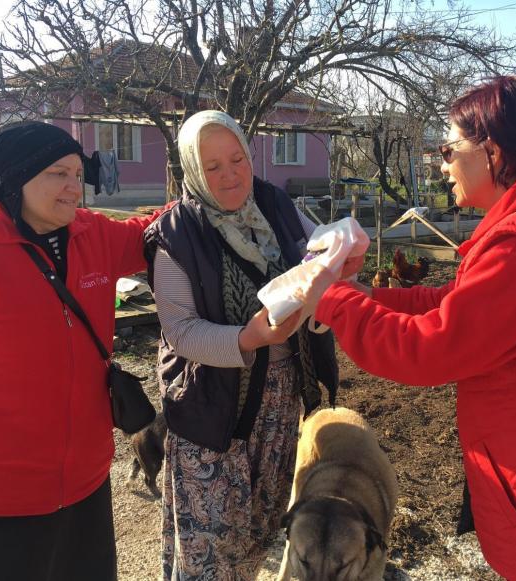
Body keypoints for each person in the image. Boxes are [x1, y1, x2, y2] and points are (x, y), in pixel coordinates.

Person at [296, 76, 516, 581]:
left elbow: (428, 349)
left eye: (448, 148)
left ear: (493, 152)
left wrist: (330, 298)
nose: (441, 163)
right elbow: (459, 305)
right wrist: (369, 297)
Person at [0, 120, 167, 581]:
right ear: (17, 179)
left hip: (87, 480)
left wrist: (212, 182)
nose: (73, 188)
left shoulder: (93, 235)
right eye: (58, 173)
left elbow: (155, 230)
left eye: (78, 175)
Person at [143, 110, 338, 580]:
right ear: (192, 169)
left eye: (237, 159)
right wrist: (248, 338)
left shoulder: (273, 203)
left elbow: (316, 256)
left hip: (278, 404)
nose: (229, 175)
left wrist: (339, 262)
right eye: (212, 166)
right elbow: (182, 332)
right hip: (213, 411)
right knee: (210, 550)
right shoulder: (174, 235)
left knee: (258, 534)